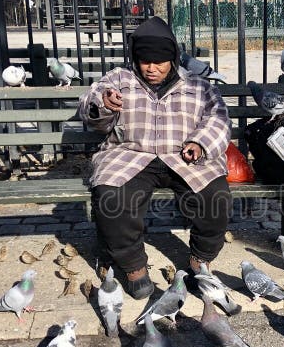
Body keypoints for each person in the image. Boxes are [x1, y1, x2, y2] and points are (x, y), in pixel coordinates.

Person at [79, 16, 232, 299]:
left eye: (159, 61)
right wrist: (104, 103)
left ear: (173, 59)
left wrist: (200, 143)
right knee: (112, 198)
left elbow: (219, 118)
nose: (151, 68)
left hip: (182, 156)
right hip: (130, 154)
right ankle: (134, 266)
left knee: (216, 196)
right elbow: (91, 100)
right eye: (144, 61)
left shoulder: (198, 86)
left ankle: (201, 258)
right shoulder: (119, 79)